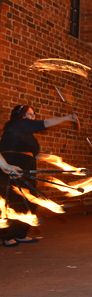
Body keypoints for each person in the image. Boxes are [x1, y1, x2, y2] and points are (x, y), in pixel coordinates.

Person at [0, 105, 77, 247]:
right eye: (28, 114)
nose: (31, 117)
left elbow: (27, 151)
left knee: (28, 199)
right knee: (15, 198)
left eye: (33, 114)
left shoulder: (26, 133)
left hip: (27, 165)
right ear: (19, 115)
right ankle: (7, 236)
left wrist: (40, 156)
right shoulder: (17, 125)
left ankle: (20, 234)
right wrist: (66, 118)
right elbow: (45, 123)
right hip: (13, 164)